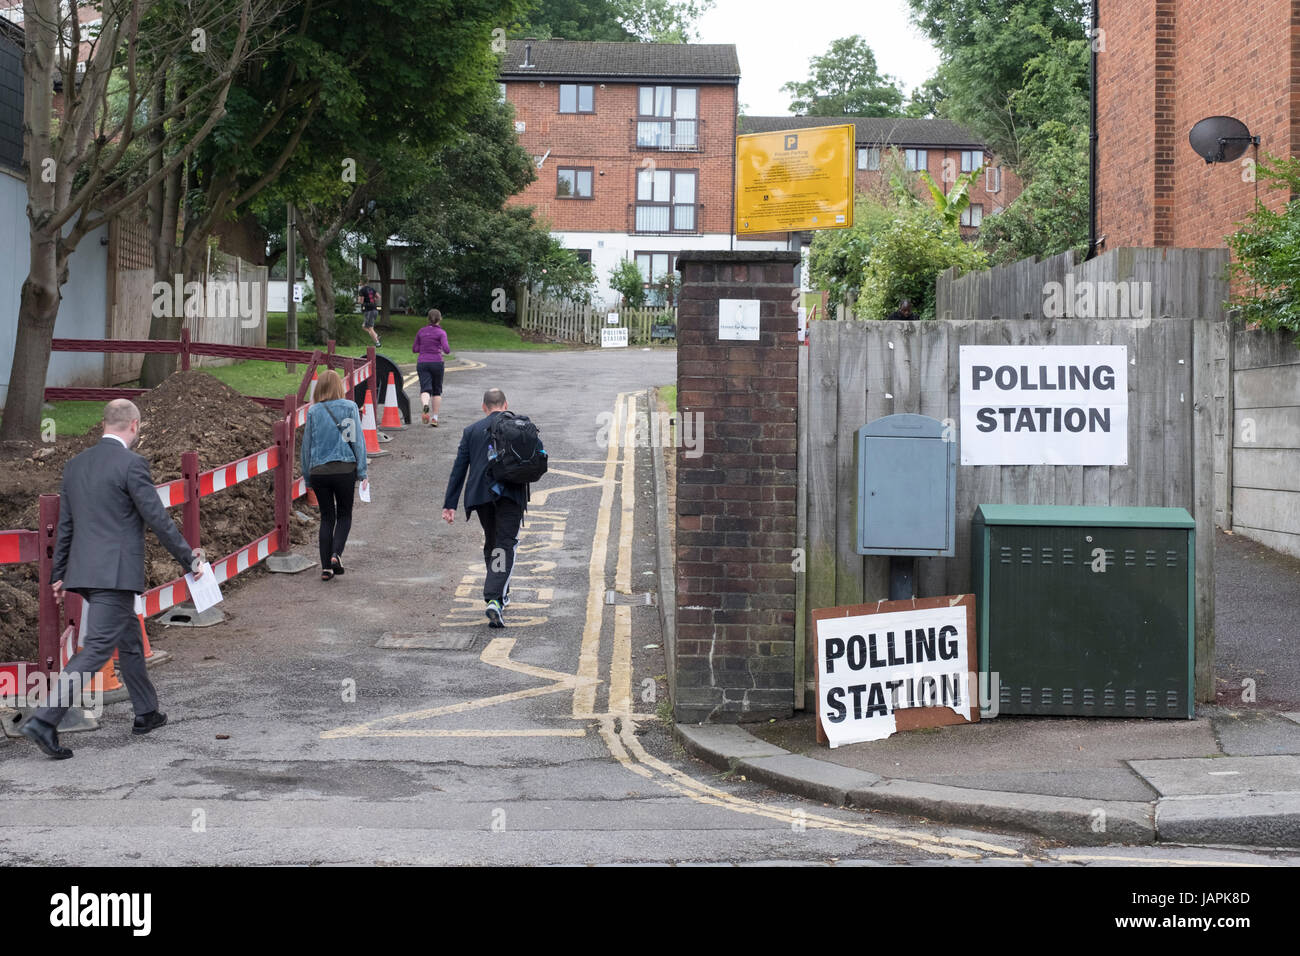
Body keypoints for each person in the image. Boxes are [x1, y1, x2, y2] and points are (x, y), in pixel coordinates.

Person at [20, 399, 205, 760]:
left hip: (86, 573)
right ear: (134, 425)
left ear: (105, 424)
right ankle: (44, 720)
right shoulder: (132, 465)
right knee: (97, 649)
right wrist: (189, 560)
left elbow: (67, 525)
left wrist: (59, 574)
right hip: (116, 574)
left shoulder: (76, 465)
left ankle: (146, 712)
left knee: (129, 638)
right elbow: (157, 518)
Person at [441, 388, 528, 628]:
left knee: (493, 543)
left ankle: (500, 592)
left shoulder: (471, 431)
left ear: (484, 407)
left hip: (482, 496)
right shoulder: (518, 426)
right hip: (511, 494)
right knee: (505, 544)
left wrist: (450, 504)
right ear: (505, 404)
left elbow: (459, 469)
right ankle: (494, 598)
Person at [301, 370, 367, 581]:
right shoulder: (349, 408)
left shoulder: (313, 412)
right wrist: (362, 470)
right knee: (344, 515)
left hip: (319, 471)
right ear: (340, 387)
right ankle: (336, 555)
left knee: (327, 517)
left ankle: (325, 568)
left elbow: (306, 447)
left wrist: (307, 476)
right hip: (344, 469)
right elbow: (357, 440)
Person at [412, 309, 451, 426]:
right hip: (437, 363)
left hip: (422, 362)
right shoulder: (441, 333)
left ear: (428, 319)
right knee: (437, 391)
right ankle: (434, 418)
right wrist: (436, 348)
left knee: (425, 389)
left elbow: (415, 349)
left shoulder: (421, 332)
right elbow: (447, 350)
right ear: (440, 319)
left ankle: (425, 405)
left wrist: (424, 348)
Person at [358, 282, 381, 347]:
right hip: (375, 310)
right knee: (364, 326)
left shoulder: (362, 290)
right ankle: (375, 335)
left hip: (369, 311)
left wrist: (358, 301)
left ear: (361, 282)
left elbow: (361, 301)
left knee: (369, 327)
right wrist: (373, 300)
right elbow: (379, 296)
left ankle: (377, 343)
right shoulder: (371, 289)